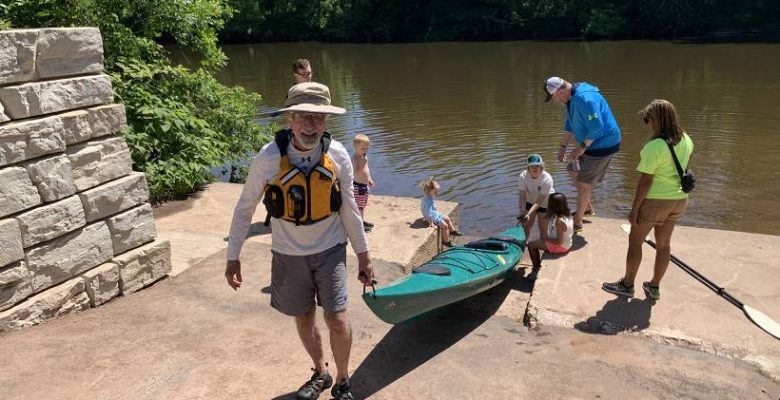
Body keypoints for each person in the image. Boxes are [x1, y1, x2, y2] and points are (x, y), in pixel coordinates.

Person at [225, 82, 372, 400]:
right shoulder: (268, 158)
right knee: (303, 314)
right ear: (289, 119)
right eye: (303, 116)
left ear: (326, 122)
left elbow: (349, 208)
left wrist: (364, 255)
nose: (310, 124)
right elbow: (245, 207)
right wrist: (232, 256)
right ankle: (321, 372)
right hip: (288, 252)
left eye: (318, 117)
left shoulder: (338, 155)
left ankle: (343, 380)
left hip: (331, 247)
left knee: (337, 317)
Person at [602, 99, 693, 300]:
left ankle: (627, 285)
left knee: (635, 242)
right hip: (679, 199)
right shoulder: (686, 138)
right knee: (664, 245)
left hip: (656, 201)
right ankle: (654, 287)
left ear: (656, 119)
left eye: (647, 119)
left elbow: (645, 182)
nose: (647, 123)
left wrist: (634, 210)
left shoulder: (655, 146)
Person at [544, 76, 621, 232]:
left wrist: (582, 147)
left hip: (603, 144)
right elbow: (569, 123)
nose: (553, 100)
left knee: (584, 184)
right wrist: (562, 146)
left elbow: (597, 126)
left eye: (553, 96)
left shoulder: (585, 99)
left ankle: (577, 223)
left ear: (560, 91)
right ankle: (587, 208)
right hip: (588, 144)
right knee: (572, 170)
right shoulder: (570, 100)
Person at [525, 193, 574, 281]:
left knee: (531, 245)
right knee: (539, 240)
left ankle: (536, 269)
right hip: (568, 244)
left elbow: (559, 242)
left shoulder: (559, 222)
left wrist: (546, 238)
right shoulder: (568, 214)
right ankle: (537, 266)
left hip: (562, 247)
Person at [518, 154, 555, 241]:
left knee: (543, 228)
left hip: (545, 203)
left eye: (537, 166)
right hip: (530, 201)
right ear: (528, 168)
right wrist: (522, 211)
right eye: (532, 166)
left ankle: (546, 247)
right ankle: (525, 245)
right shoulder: (522, 176)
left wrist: (528, 213)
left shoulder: (547, 179)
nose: (535, 168)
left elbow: (539, 201)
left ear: (541, 166)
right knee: (526, 226)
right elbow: (522, 196)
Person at [420, 177, 462, 247]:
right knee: (445, 226)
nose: (437, 193)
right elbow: (429, 213)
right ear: (429, 191)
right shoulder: (427, 201)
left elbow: (430, 210)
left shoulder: (428, 196)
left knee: (446, 218)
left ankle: (452, 231)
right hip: (432, 217)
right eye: (435, 192)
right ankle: (446, 241)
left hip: (434, 213)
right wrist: (430, 222)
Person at [351, 134, 375, 233]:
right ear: (355, 147)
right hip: (358, 187)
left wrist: (369, 179)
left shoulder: (364, 156)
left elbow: (367, 169)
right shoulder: (355, 159)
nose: (365, 151)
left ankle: (362, 221)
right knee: (359, 207)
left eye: (367, 149)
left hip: (365, 186)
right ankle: (359, 226)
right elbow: (353, 173)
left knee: (363, 205)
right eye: (363, 148)